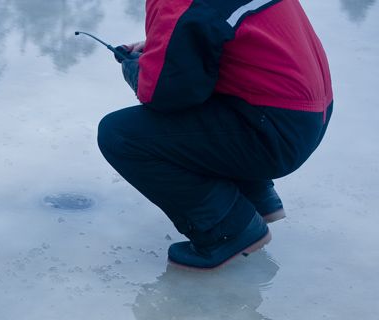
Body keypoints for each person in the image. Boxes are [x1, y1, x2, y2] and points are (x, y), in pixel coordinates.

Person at [96, 0, 333, 270]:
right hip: (303, 116)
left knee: (121, 135)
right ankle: (256, 196)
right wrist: (162, 49)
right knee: (199, 91)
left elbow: (164, 94)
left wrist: (137, 70)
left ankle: (227, 230)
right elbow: (222, 29)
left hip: (271, 133)